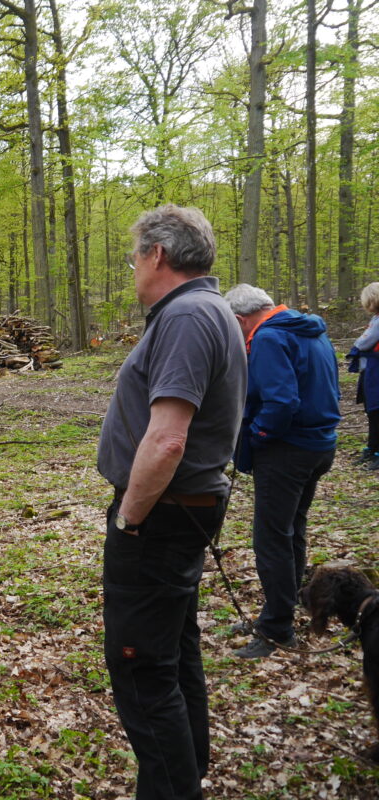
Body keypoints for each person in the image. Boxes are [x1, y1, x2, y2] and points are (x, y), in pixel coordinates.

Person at [97, 205, 246, 799]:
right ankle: (190, 772)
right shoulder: (209, 310)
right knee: (174, 649)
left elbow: (168, 437)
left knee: (141, 668)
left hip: (160, 514)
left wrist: (129, 516)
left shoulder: (187, 316)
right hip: (183, 508)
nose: (132, 268)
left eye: (135, 256)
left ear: (157, 254)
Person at [223, 284, 339, 659]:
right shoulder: (310, 330)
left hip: (288, 451)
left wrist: (257, 436)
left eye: (233, 327)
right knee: (291, 532)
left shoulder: (270, 338)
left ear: (241, 319)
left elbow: (282, 400)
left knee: (271, 539)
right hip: (320, 446)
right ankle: (280, 613)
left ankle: (277, 630)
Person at [346, 281, 379, 470]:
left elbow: (364, 342)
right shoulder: (376, 319)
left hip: (375, 370)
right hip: (370, 370)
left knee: (376, 410)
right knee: (372, 411)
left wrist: (356, 346)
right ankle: (372, 447)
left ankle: (376, 451)